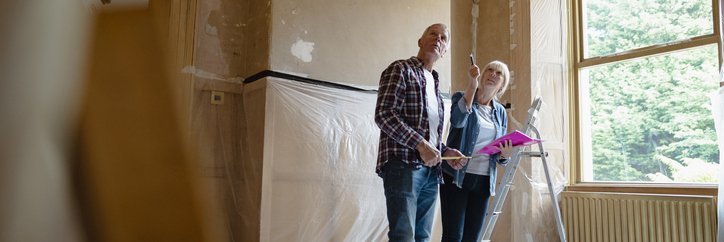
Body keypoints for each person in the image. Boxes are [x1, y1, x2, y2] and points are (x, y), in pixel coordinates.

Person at [374, 23, 466, 242]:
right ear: (420, 42)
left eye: (443, 38)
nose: (438, 39)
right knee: (404, 236)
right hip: (402, 165)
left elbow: (428, 132)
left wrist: (445, 150)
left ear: (444, 51)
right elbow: (384, 114)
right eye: (433, 34)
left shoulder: (435, 84)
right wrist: (421, 145)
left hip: (432, 171)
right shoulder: (400, 69)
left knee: (422, 236)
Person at [439, 60, 513, 242]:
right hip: (456, 176)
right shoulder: (461, 97)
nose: (493, 74)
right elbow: (457, 121)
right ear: (482, 74)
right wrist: (472, 85)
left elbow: (499, 155)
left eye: (499, 73)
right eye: (490, 70)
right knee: (453, 236)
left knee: (473, 238)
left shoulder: (500, 112)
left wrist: (505, 156)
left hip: (484, 180)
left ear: (503, 84)